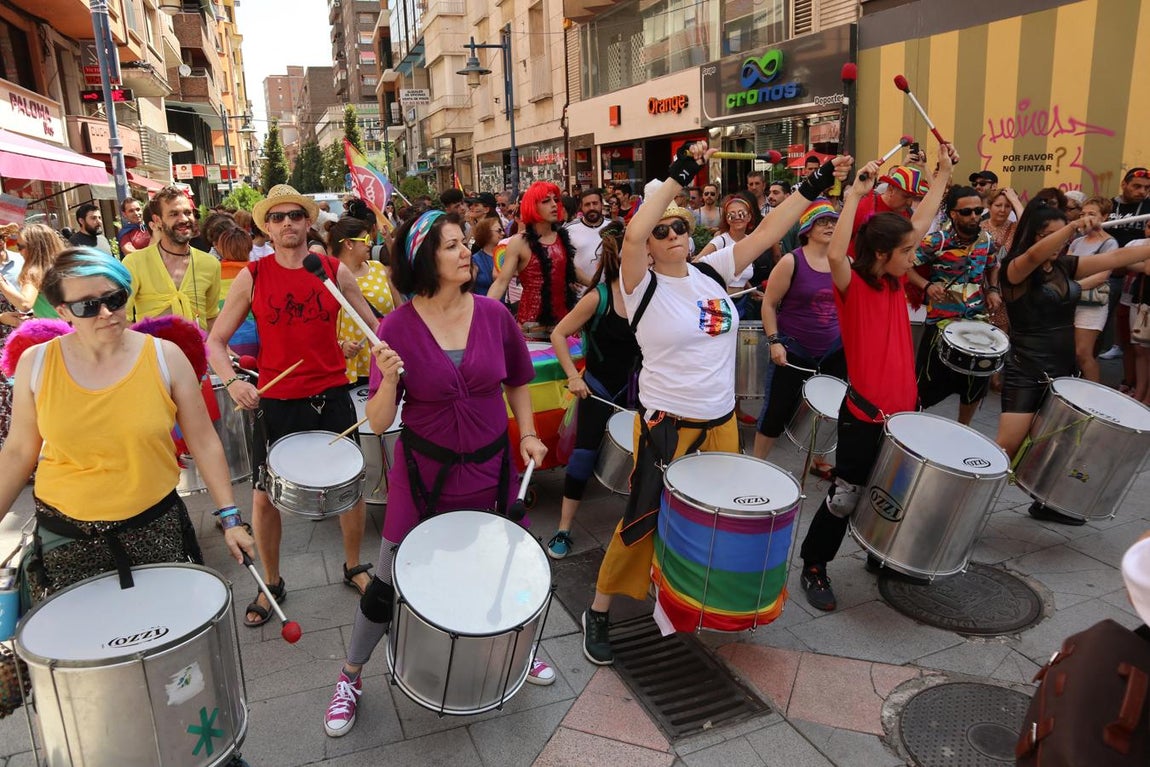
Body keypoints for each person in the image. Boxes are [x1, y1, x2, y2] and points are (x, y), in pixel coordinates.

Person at [581, 143, 848, 664]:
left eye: (680, 228)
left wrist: (815, 185)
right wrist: (680, 173)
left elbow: (771, 230)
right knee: (640, 521)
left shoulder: (710, 272)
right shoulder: (638, 285)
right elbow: (635, 231)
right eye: (664, 230)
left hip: (721, 422)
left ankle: (685, 595)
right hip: (667, 428)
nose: (673, 235)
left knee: (711, 519)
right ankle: (600, 609)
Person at [321, 209, 553, 737]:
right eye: (451, 246)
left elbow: (518, 379)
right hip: (423, 475)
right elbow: (379, 423)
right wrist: (384, 381)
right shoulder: (398, 326)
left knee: (501, 567)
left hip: (491, 467)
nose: (464, 253)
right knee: (386, 583)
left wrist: (530, 433)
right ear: (426, 257)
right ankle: (351, 675)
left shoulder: (495, 315)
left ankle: (517, 651)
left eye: (465, 243)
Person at [0, 247, 255, 603]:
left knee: (165, 643)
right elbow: (17, 453)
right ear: (61, 311)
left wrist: (230, 517)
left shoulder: (165, 357)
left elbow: (204, 441)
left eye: (114, 299)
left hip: (154, 527)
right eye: (86, 306)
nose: (105, 313)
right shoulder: (37, 362)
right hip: (67, 537)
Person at [206, 184, 380, 627]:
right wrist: (231, 382)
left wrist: (378, 349)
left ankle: (354, 565)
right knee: (264, 498)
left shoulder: (331, 269)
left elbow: (374, 326)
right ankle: (272, 582)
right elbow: (215, 342)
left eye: (295, 216)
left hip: (331, 395)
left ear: (307, 222)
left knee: (349, 486)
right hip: (277, 401)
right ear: (267, 225)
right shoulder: (254, 275)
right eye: (278, 217)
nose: (287, 224)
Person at [797, 147, 957, 613]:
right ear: (883, 254)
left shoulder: (893, 281)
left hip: (904, 416)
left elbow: (920, 224)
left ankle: (880, 555)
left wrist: (943, 175)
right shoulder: (854, 286)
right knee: (845, 496)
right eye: (906, 252)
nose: (914, 257)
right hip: (865, 415)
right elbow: (834, 252)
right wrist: (854, 197)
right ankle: (813, 565)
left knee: (892, 493)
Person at [995, 200, 1150, 525]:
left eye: (1061, 234)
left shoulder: (1065, 266)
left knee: (1058, 442)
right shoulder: (1015, 269)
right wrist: (1072, 225)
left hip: (1063, 370)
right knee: (1007, 446)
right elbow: (1035, 256)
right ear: (1034, 235)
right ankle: (966, 503)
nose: (1059, 241)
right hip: (1027, 368)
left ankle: (1047, 502)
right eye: (1050, 235)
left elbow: (1119, 257)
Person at [546, 222, 639, 559]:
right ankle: (564, 528)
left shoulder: (651, 295)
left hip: (637, 389)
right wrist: (574, 376)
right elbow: (559, 334)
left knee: (647, 458)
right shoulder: (598, 297)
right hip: (597, 387)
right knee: (583, 457)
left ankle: (640, 522)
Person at [751, 200, 846, 476]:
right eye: (823, 221)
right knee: (776, 411)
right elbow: (769, 304)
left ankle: (816, 462)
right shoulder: (792, 261)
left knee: (828, 411)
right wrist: (774, 341)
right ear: (807, 228)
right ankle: (756, 465)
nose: (830, 225)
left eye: (833, 221)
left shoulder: (843, 260)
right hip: (795, 349)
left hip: (832, 350)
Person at [905, 185, 1002, 426]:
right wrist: (926, 286)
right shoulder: (936, 241)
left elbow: (993, 265)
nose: (974, 216)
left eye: (978, 211)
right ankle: (911, 425)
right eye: (967, 212)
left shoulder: (986, 239)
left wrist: (993, 289)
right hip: (941, 320)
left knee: (975, 382)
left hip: (977, 321)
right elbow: (905, 266)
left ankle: (963, 428)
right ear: (953, 214)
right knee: (926, 381)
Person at [122, 186, 222, 332]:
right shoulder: (135, 263)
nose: (183, 219)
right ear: (157, 221)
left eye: (187, 212)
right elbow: (122, 318)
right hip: (153, 352)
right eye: (174, 214)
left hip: (198, 352)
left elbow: (211, 317)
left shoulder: (210, 264)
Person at [486, 181, 577, 335]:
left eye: (556, 200)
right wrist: (484, 314)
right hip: (532, 325)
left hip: (564, 323)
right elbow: (501, 282)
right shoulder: (520, 242)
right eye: (546, 201)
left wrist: (602, 283)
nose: (554, 205)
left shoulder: (562, 237)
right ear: (533, 207)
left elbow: (571, 270)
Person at [330, 216, 399, 384]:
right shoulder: (328, 278)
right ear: (348, 244)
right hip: (349, 367)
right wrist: (341, 346)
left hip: (386, 358)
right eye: (366, 239)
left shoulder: (379, 268)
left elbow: (400, 309)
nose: (370, 243)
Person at [1070, 198, 1118, 383]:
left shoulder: (1109, 243)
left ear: (1104, 217)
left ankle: (1095, 393)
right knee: (1069, 351)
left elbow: (1101, 276)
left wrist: (1073, 287)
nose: (1085, 218)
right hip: (1071, 300)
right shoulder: (1077, 241)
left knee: (1083, 353)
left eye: (1092, 214)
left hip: (1091, 304)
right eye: (1082, 214)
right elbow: (1067, 267)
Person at [696, 193, 766, 321]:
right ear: (727, 219)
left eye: (741, 213)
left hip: (742, 304)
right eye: (731, 214)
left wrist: (751, 290)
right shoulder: (720, 241)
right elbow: (696, 264)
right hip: (719, 305)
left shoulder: (750, 242)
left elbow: (738, 275)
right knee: (717, 339)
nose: (737, 217)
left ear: (749, 217)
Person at [565, 189, 611, 288]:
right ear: (581, 207)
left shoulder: (613, 227)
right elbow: (562, 261)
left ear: (601, 204)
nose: (591, 208)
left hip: (609, 292)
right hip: (581, 293)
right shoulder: (569, 229)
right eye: (587, 204)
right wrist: (569, 280)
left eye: (595, 203)